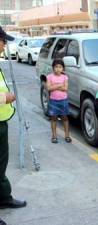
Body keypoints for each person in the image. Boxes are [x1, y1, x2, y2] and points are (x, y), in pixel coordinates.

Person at [0, 26, 27, 225]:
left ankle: (3, 199)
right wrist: (4, 97)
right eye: (3, 40)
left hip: (1, 122)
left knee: (1, 165)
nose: (5, 45)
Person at [46, 59, 71, 143]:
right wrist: (60, 85)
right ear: (53, 68)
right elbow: (49, 88)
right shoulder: (49, 77)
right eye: (56, 67)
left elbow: (65, 88)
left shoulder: (65, 77)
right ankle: (54, 135)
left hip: (63, 101)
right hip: (53, 101)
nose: (58, 69)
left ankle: (67, 135)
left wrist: (55, 86)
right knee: (54, 118)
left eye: (60, 67)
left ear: (63, 68)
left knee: (65, 117)